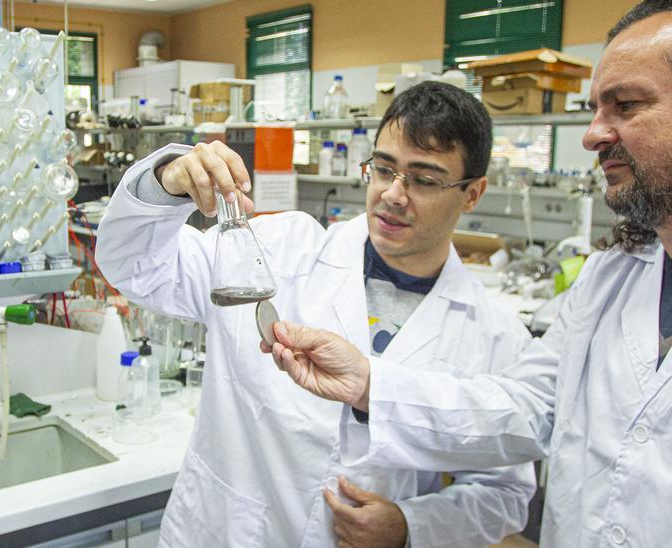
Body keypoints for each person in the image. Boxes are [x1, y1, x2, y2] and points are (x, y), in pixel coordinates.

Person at [265, 1, 672, 546]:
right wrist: (370, 384)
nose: (594, 134)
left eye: (626, 106)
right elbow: (531, 409)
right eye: (595, 108)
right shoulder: (612, 275)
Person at [96, 82, 535, 547]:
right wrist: (165, 181)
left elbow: (504, 493)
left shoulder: (494, 335)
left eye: (424, 179)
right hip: (225, 531)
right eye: (383, 169)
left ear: (473, 193)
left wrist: (412, 525)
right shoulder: (281, 248)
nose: (392, 194)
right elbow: (133, 266)